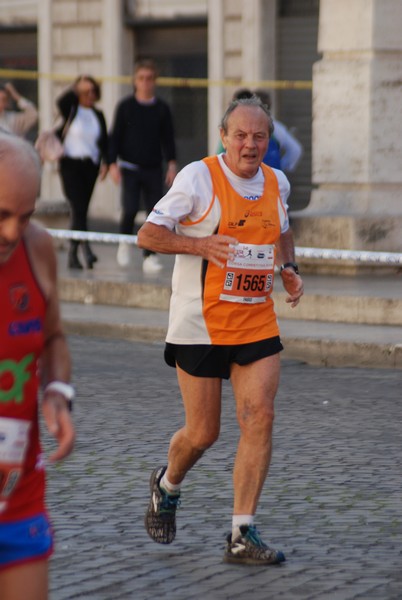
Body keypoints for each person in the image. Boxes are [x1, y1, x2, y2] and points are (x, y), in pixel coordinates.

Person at [138, 96, 304, 565]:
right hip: (200, 323)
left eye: (260, 136)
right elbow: (148, 234)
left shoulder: (277, 181)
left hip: (255, 318)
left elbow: (282, 227)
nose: (250, 145)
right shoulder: (198, 177)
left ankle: (241, 533)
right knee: (203, 433)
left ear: (268, 140)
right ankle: (167, 484)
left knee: (260, 417)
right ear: (224, 137)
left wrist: (287, 265)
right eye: (241, 135)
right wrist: (199, 244)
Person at [0, 133, 75, 599]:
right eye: (1, 215)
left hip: (19, 490)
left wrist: (56, 393)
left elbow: (52, 338)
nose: (13, 232)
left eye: (24, 216)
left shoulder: (37, 248)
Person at [108, 58, 177, 273]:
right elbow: (115, 137)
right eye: (141, 78)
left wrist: (172, 164)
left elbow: (168, 139)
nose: (145, 82)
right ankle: (124, 244)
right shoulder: (125, 107)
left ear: (154, 81)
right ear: (135, 81)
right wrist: (111, 163)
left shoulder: (162, 108)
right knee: (129, 208)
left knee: (155, 212)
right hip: (129, 167)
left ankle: (150, 254)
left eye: (149, 78)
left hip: (153, 168)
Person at [56, 75, 109, 270]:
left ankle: (80, 251)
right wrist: (76, 88)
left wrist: (106, 163)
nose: (89, 95)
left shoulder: (98, 114)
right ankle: (81, 250)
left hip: (90, 166)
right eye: (85, 91)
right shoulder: (71, 110)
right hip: (71, 165)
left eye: (92, 91)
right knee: (77, 208)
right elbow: (60, 101)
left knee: (82, 210)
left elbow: (104, 142)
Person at [254, 88, 303, 173]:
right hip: (271, 177)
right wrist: (281, 167)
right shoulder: (278, 128)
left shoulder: (241, 127)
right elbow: (296, 150)